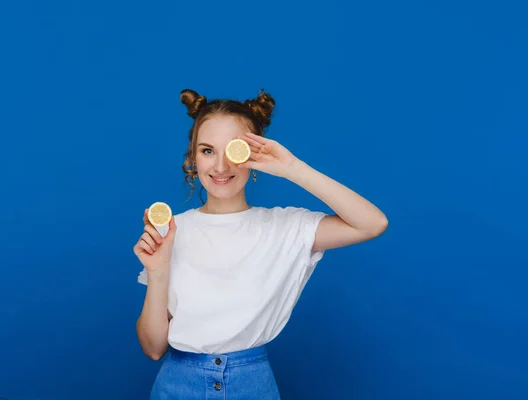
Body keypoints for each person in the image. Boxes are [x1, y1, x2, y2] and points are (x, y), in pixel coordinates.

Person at [134, 88, 388, 399]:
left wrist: (293, 168)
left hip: (251, 385)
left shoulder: (285, 227)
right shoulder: (173, 230)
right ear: (193, 157)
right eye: (208, 151)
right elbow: (153, 348)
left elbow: (373, 223)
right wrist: (158, 271)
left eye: (233, 151)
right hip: (177, 385)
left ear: (252, 155)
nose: (221, 167)